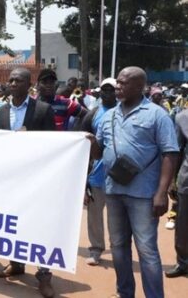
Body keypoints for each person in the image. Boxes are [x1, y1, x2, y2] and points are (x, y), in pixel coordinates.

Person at [86, 66, 179, 298]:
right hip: (114, 191)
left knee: (147, 251)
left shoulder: (157, 115)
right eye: (117, 82)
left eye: (123, 83)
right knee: (118, 247)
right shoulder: (108, 116)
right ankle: (124, 292)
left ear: (140, 87)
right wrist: (90, 142)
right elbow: (99, 153)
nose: (118, 87)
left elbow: (170, 153)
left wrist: (162, 192)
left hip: (144, 194)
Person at [0, 68, 55, 298]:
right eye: (10, 80)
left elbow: (53, 145)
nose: (12, 83)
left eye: (18, 80)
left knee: (38, 226)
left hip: (36, 178)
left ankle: (44, 275)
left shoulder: (43, 109)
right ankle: (16, 264)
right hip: (11, 178)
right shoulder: (1, 112)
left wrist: (32, 140)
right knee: (13, 222)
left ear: (29, 84)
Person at [80, 77, 117, 266]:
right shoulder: (92, 114)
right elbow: (84, 144)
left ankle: (118, 250)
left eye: (112, 90)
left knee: (117, 217)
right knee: (94, 216)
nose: (108, 93)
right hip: (96, 175)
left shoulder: (124, 111)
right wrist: (84, 176)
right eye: (105, 90)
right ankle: (96, 249)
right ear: (99, 92)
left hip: (118, 176)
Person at [165, 107, 188, 278]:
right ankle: (183, 263)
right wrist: (172, 181)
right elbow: (176, 151)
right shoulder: (182, 117)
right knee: (183, 225)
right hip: (186, 181)